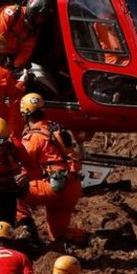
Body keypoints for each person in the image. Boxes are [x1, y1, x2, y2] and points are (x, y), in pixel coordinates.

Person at [15, 93, 86, 245]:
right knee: (57, 234)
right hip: (72, 187)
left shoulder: (33, 137)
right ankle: (88, 239)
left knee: (12, 191)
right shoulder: (58, 129)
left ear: (25, 114)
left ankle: (26, 228)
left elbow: (27, 168)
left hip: (53, 188)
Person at [0, 0, 51, 69]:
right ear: (33, 11)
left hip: (10, 57)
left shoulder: (34, 28)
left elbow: (27, 50)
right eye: (41, 17)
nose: (42, 21)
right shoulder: (10, 14)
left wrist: (15, 66)